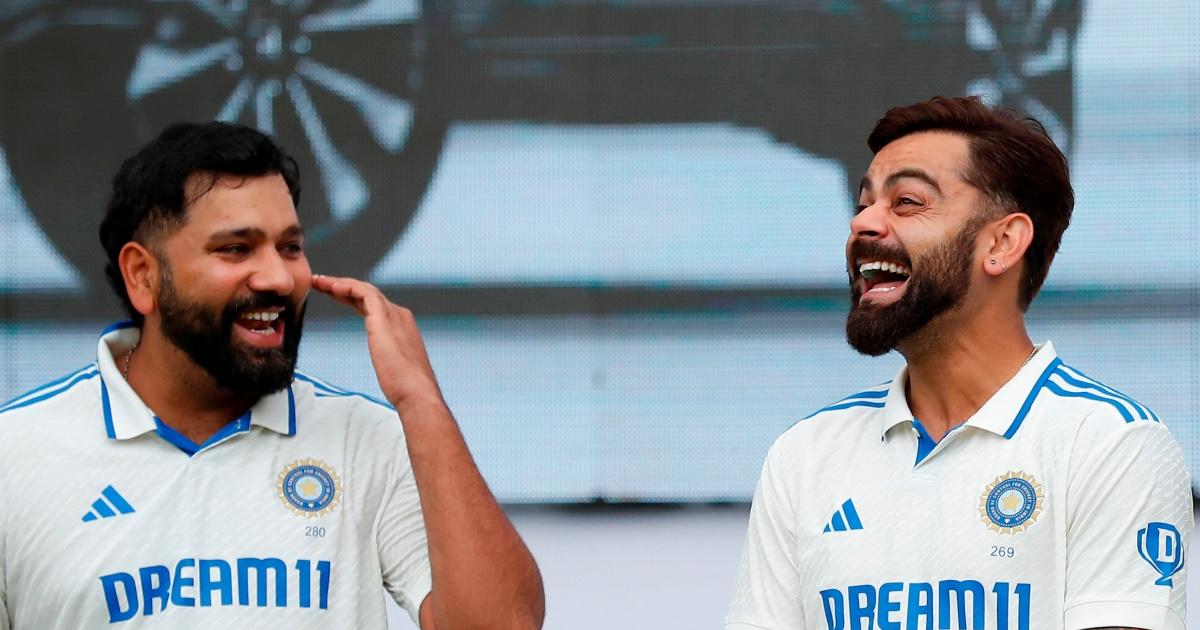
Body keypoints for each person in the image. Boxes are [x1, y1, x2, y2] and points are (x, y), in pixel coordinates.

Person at [0, 122, 544, 628]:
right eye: (236, 249)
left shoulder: (367, 437)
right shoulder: (15, 453)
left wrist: (420, 398)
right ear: (143, 275)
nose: (279, 278)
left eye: (290, 247)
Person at [725, 96, 1192, 630]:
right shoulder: (805, 453)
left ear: (1003, 243)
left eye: (906, 202)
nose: (862, 224)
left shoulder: (1110, 442)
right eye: (863, 203)